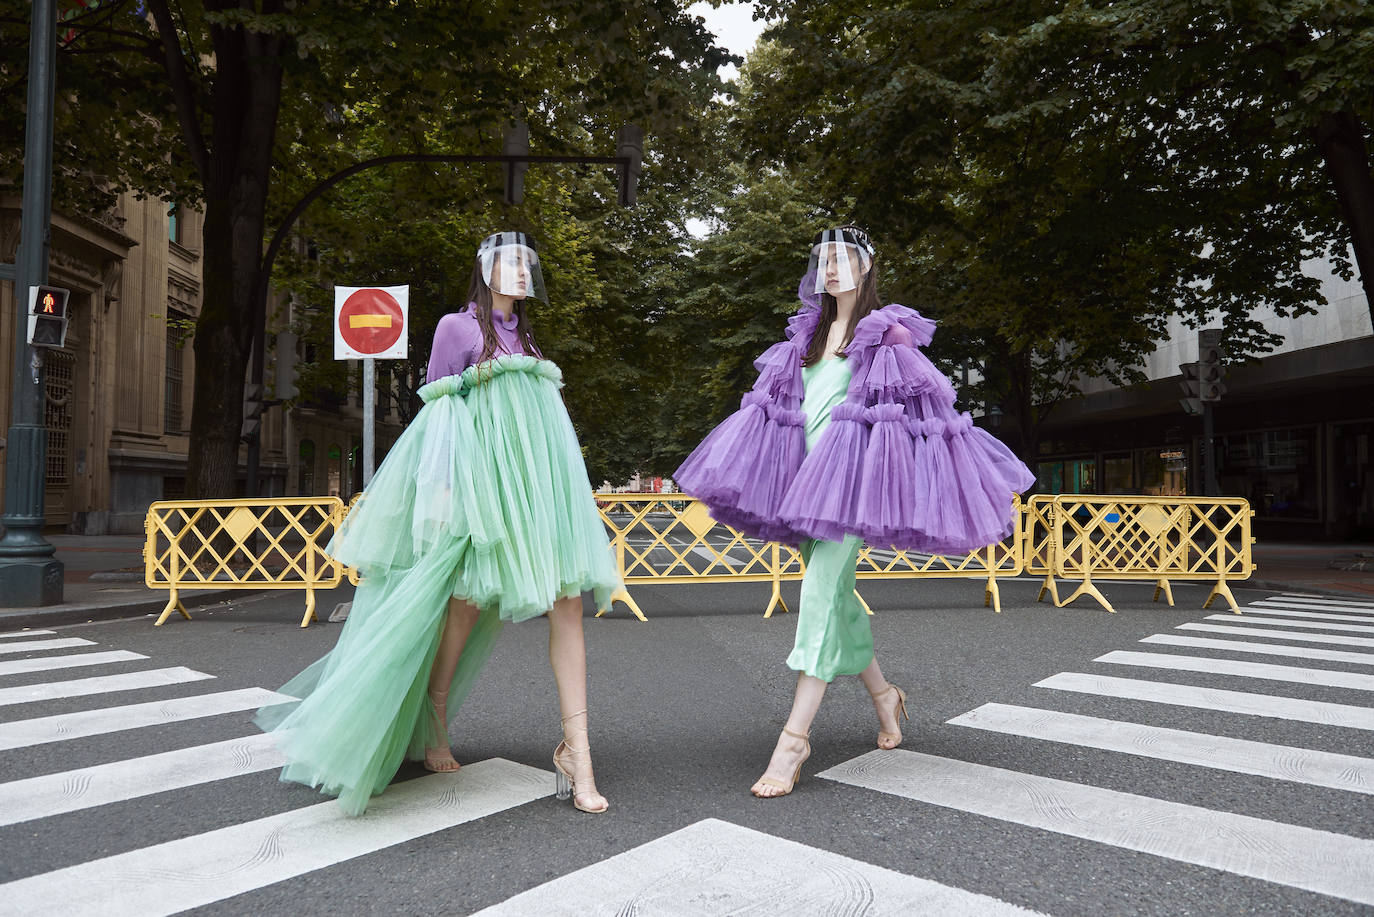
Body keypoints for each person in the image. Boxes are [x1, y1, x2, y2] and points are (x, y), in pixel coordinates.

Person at [257, 231, 619, 815]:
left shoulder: (523, 332)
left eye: (528, 265)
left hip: (538, 489)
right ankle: (436, 712)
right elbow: (439, 417)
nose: (522, 273)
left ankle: (578, 750)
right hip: (481, 487)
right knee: (464, 602)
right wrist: (447, 493)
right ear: (485, 269)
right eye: (510, 262)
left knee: (568, 601)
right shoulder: (458, 328)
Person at [675, 225, 1034, 798]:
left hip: (851, 490)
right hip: (803, 486)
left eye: (846, 258)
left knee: (819, 593)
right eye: (825, 258)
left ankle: (794, 740)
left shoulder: (885, 332)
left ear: (866, 267)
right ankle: (885, 696)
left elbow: (917, 418)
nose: (834, 267)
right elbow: (782, 412)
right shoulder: (806, 336)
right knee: (836, 599)